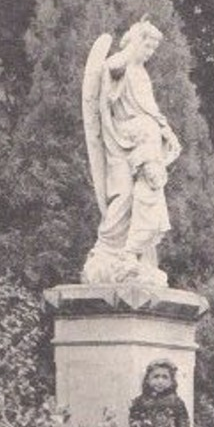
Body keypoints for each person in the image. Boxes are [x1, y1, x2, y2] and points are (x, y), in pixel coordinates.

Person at [81, 19, 182, 287]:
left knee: (144, 195)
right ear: (136, 42)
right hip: (121, 141)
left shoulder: (142, 74)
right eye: (146, 45)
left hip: (142, 142)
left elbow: (149, 110)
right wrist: (128, 52)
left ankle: (131, 257)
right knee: (122, 196)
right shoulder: (121, 65)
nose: (149, 53)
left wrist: (166, 131)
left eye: (153, 49)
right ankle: (105, 254)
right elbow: (110, 72)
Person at [127, 358, 191, 427]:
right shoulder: (139, 402)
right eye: (156, 377)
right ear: (148, 380)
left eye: (165, 377)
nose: (160, 381)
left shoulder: (177, 403)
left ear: (172, 381)